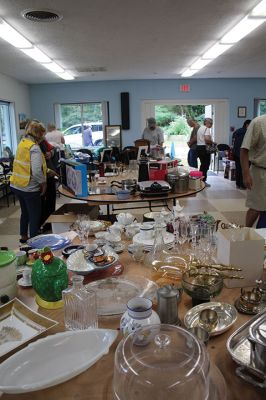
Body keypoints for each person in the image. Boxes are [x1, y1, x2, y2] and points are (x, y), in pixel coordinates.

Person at [10, 120, 47, 243]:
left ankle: (23, 236)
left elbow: (26, 165)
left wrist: (48, 170)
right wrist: (43, 183)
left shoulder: (23, 143)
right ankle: (34, 242)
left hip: (17, 184)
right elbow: (36, 171)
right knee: (35, 215)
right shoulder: (34, 147)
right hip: (29, 188)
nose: (43, 137)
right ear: (38, 134)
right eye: (42, 134)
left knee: (25, 212)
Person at [240, 114, 266, 227]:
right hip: (260, 171)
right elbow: (244, 149)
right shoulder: (258, 122)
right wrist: (246, 174)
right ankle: (247, 232)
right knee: (256, 208)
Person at [39, 139, 59, 232]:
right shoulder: (31, 144)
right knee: (41, 202)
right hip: (40, 176)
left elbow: (53, 149)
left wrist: (50, 153)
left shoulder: (43, 141)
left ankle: (49, 223)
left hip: (49, 174)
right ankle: (41, 224)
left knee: (51, 199)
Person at [232, 119, 251, 189]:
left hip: (236, 153)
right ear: (247, 125)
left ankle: (238, 184)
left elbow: (233, 142)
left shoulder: (237, 131)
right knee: (245, 169)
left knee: (238, 169)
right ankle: (243, 185)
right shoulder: (248, 132)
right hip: (244, 153)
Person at [196, 118, 213, 186]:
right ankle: (203, 181)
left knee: (202, 165)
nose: (212, 125)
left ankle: (200, 181)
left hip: (199, 148)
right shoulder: (207, 128)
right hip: (204, 148)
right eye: (211, 123)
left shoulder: (200, 128)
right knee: (206, 165)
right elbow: (206, 139)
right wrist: (212, 142)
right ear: (207, 123)